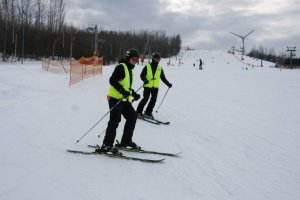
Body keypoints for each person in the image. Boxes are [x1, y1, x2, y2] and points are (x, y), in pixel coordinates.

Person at [97, 49, 141, 154]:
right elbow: (112, 80)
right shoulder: (121, 67)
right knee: (115, 120)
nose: (135, 61)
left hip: (124, 99)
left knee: (132, 116)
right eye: (134, 59)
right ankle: (106, 145)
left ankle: (125, 141)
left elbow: (126, 86)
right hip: (114, 98)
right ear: (128, 58)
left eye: (137, 60)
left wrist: (133, 93)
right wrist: (122, 91)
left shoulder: (129, 69)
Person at [136, 52, 172, 119]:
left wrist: (168, 83)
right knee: (145, 99)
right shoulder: (147, 66)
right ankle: (138, 112)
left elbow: (163, 77)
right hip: (147, 86)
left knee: (153, 100)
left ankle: (148, 112)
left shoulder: (159, 68)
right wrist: (144, 80)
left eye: (158, 59)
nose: (157, 60)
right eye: (156, 59)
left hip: (155, 87)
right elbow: (142, 75)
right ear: (153, 59)